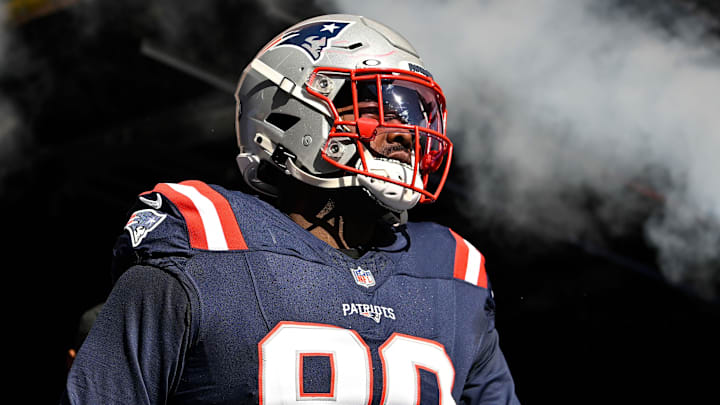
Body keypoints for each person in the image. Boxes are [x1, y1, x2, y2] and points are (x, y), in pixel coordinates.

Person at [61, 13, 521, 404]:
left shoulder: (455, 276)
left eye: (417, 114)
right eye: (379, 105)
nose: (407, 133)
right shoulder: (204, 247)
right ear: (291, 113)